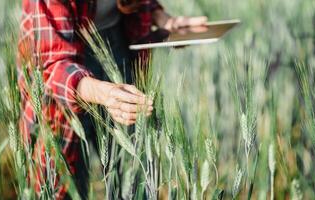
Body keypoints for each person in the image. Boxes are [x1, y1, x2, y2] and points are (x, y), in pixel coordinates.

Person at [17, 0, 206, 199]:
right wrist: (105, 94)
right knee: (61, 182)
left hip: (117, 48)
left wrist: (162, 19)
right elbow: (54, 66)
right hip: (59, 71)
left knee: (134, 181)